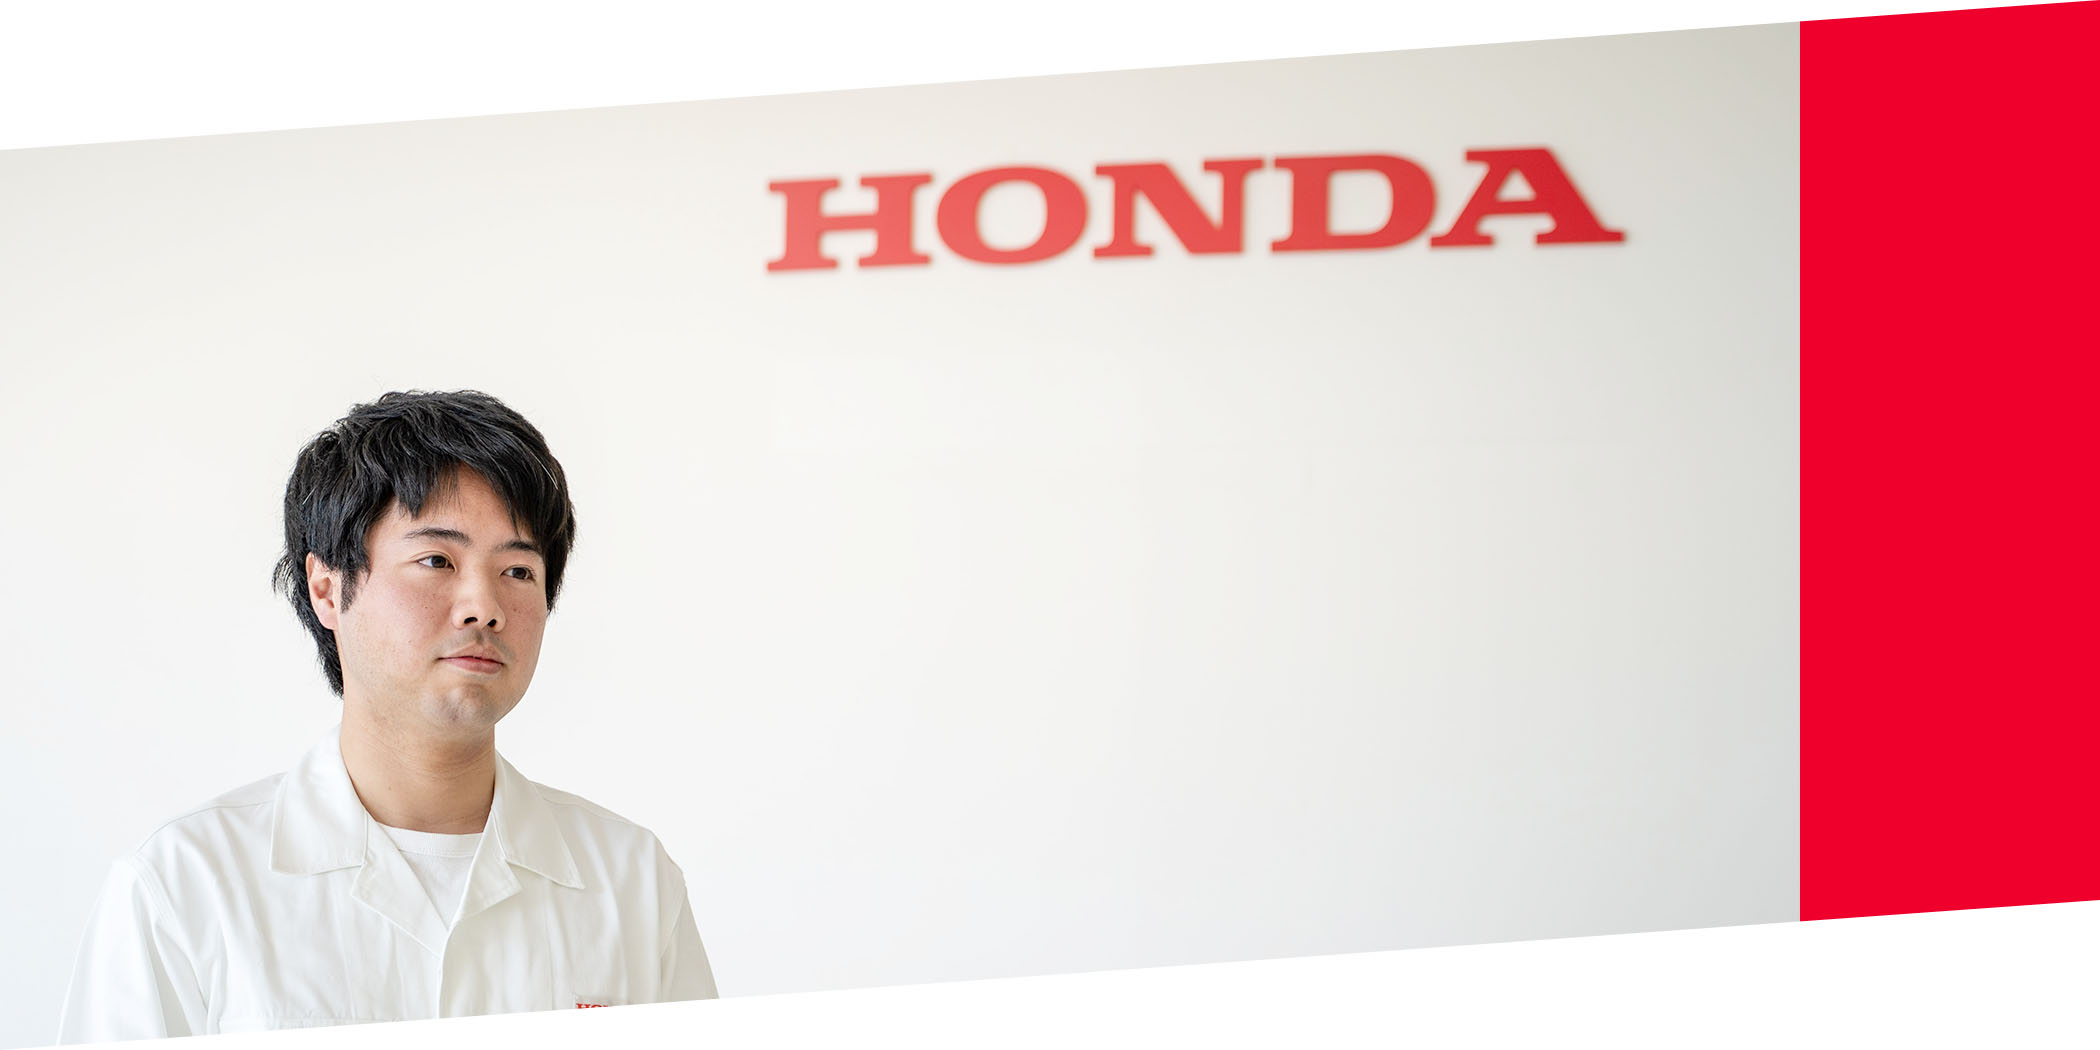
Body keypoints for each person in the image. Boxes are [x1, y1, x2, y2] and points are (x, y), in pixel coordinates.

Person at [57, 390, 716, 1041]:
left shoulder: (632, 881)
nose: (483, 607)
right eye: (437, 560)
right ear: (327, 589)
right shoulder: (185, 887)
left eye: (518, 570)